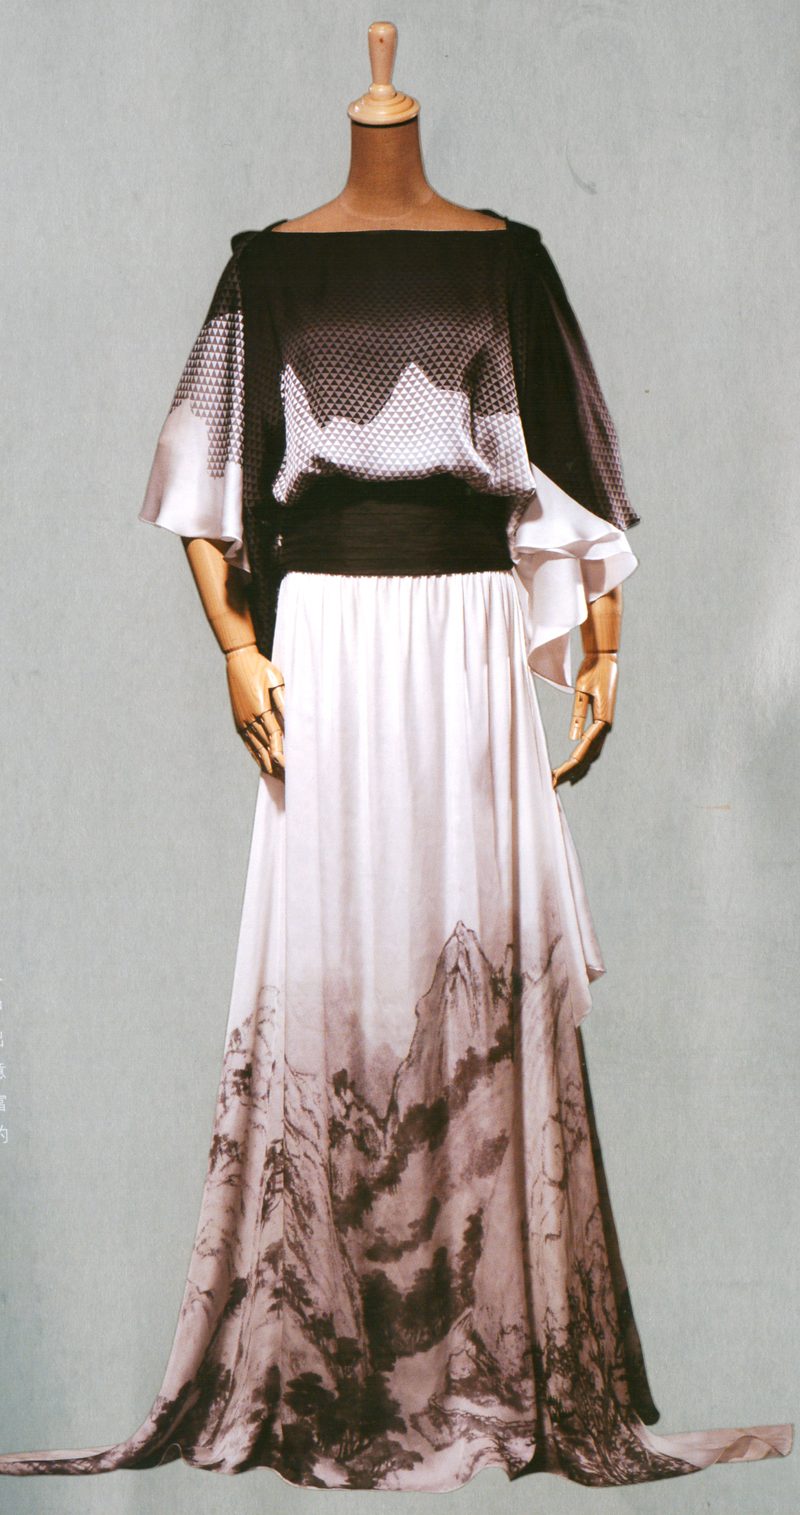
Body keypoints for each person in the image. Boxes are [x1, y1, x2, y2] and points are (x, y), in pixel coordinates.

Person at [0, 21, 792, 1492]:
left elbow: (571, 468)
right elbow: (208, 482)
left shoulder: (509, 261)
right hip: (332, 644)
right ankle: (328, 1357)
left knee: (470, 955)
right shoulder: (268, 271)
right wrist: (238, 646)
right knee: (337, 965)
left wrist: (601, 646)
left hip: (470, 642)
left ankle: (491, 1350)